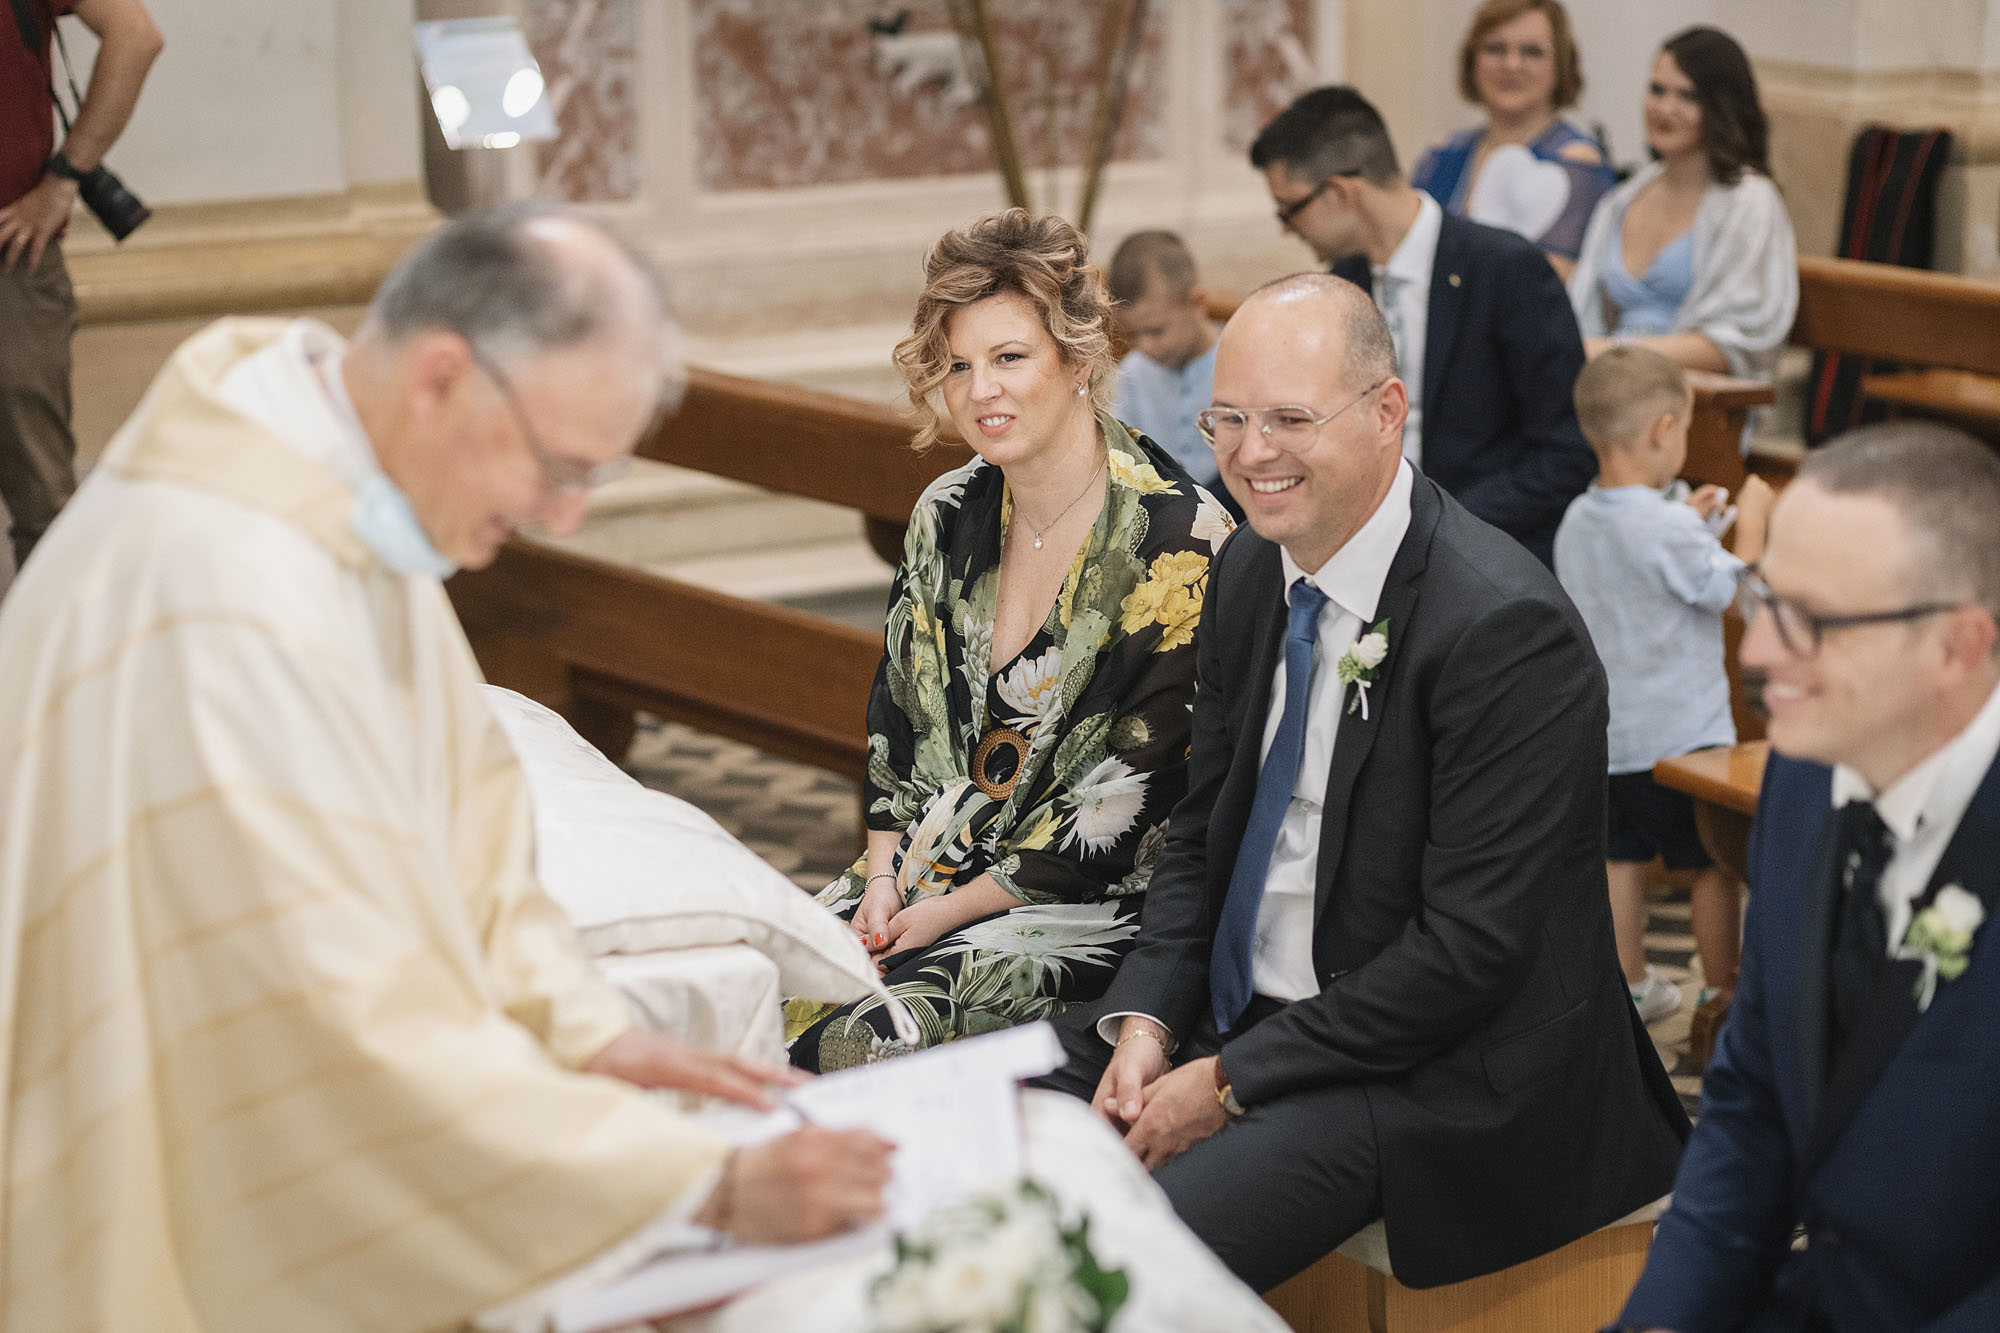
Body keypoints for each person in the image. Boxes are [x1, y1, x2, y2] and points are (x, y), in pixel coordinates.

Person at [0, 203, 895, 1333]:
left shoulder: (325, 481)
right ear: (439, 377)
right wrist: (695, 1184)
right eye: (559, 466)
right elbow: (327, 1026)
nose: (560, 515)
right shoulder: (231, 591)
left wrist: (587, 1028)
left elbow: (468, 833)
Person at [1034, 273, 1688, 1294]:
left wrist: (1229, 1080)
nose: (1252, 453)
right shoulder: (1252, 569)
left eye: (1290, 418)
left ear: (1387, 412)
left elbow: (1466, 951)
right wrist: (1148, 1024)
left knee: (1113, 1264)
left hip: (1432, 1068)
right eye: (1230, 418)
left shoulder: (1500, 631)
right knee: (981, 1142)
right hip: (1244, 1015)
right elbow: (1203, 830)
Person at [785, 209, 1231, 1073]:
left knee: (850, 1041)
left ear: (1079, 359)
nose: (981, 389)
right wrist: (882, 883)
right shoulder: (948, 511)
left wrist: (941, 912)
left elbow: (1127, 804)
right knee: (752, 987)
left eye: (1010, 358)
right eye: (958, 365)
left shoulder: (1180, 541)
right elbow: (897, 726)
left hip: (1087, 905)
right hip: (922, 868)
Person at [1618, 422, 2000, 1333]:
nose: (1755, 653)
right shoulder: (1804, 770)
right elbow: (1752, 1087)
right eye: (1765, 597)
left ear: (1958, 645)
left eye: (1813, 622)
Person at [1251, 85, 1595, 567]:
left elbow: (1567, 454)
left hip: (1484, 553)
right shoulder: (1341, 286)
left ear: (1341, 192)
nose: (1286, 227)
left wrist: (1434, 526)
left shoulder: (1503, 268)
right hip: (1354, 541)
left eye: (1289, 208)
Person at [1554, 346, 1773, 1027]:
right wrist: (1753, 521)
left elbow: (1653, 571)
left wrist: (1696, 524)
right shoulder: (1667, 527)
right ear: (1661, 429)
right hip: (1687, 736)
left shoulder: (1575, 521)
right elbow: (1728, 590)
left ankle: (1632, 980)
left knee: (1622, 858)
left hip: (1616, 734)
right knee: (1708, 863)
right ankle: (1722, 989)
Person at [0, 0, 160, 586]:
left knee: (43, 505)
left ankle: (55, 669)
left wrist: (65, 177)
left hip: (11, 257)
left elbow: (135, 36)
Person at [1568, 27, 1798, 381]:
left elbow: (1738, 342)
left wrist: (1613, 354)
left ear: (1722, 106)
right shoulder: (1623, 198)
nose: (1665, 108)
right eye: (1657, 90)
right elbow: (1584, 312)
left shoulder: (1749, 202)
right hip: (1611, 387)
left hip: (1697, 400)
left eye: (1687, 96)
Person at [1410, 0, 1615, 275]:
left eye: (1532, 52)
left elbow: (1550, 288)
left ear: (1561, 65)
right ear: (1472, 60)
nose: (1512, 64)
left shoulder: (1576, 164)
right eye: (1496, 49)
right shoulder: (1445, 152)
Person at [1107, 229, 1228, 498]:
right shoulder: (1133, 373)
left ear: (1197, 303)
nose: (1144, 346)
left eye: (1156, 331)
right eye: (1132, 335)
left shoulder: (1240, 358)